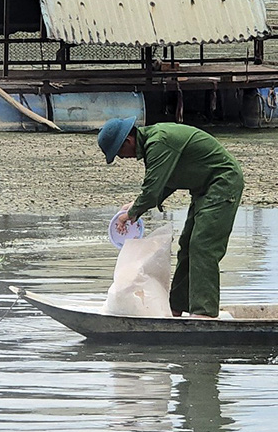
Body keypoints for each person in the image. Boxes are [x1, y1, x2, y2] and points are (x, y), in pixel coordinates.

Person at [98, 117, 244, 319]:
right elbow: (162, 185)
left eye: (119, 153)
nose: (122, 158)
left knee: (203, 245)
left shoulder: (159, 143)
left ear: (128, 141)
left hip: (222, 183)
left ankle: (204, 313)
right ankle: (177, 307)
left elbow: (151, 192)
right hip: (203, 189)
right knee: (186, 245)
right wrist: (135, 207)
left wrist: (130, 215)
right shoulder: (154, 145)